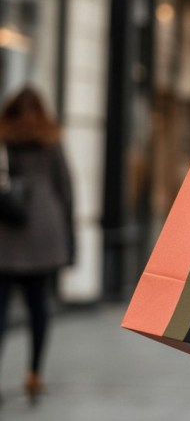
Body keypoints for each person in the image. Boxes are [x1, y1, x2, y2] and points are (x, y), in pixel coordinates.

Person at [0, 88, 75, 405]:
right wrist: (71, 239)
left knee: (0, 311)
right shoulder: (50, 140)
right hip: (45, 233)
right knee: (38, 307)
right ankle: (34, 373)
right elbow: (66, 190)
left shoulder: (5, 140)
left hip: (6, 236)